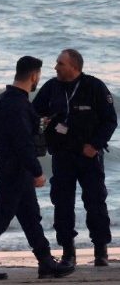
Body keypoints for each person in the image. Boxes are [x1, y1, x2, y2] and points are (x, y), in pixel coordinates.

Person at [0, 56, 75, 280]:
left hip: (11, 165)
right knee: (2, 215)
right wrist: (36, 171)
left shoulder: (10, 100)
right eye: (39, 76)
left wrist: (38, 122)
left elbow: (21, 134)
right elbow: (22, 142)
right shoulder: (16, 103)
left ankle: (45, 261)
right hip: (14, 167)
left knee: (29, 215)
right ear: (34, 75)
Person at [32, 49, 117, 266]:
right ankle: (68, 252)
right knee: (62, 203)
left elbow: (110, 120)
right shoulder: (51, 88)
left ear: (74, 67)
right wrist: (41, 124)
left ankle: (101, 251)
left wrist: (95, 145)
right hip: (62, 155)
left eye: (60, 63)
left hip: (88, 156)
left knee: (95, 202)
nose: (56, 67)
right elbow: (33, 113)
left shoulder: (94, 87)